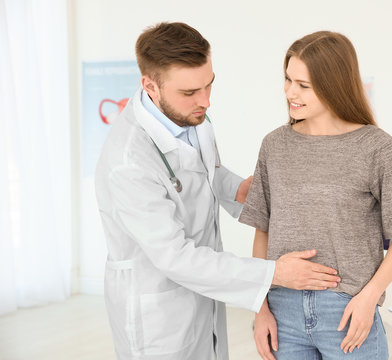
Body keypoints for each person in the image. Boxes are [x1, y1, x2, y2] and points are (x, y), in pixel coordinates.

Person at [94, 22, 341, 360]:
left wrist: (239, 189)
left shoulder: (191, 116)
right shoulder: (128, 163)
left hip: (201, 292)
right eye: (190, 92)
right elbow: (175, 257)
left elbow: (204, 170)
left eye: (209, 85)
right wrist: (273, 273)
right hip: (157, 310)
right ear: (150, 85)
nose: (206, 101)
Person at [239, 31, 392, 360]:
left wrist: (370, 298)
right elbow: (262, 231)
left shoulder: (376, 147)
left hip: (348, 313)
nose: (290, 92)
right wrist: (260, 310)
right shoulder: (274, 145)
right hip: (282, 314)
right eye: (288, 79)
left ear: (333, 85)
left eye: (303, 85)